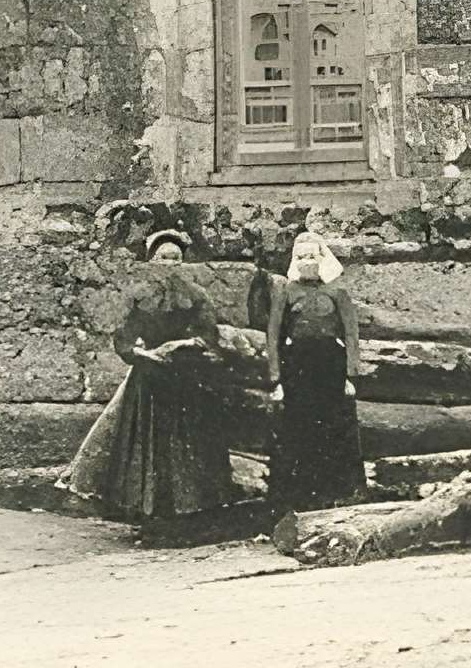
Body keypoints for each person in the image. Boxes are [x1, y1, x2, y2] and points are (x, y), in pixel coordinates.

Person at [65, 233, 236, 543]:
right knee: (149, 445)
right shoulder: (138, 296)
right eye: (163, 257)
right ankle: (150, 512)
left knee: (190, 444)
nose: (169, 263)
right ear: (151, 261)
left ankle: (193, 512)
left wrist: (183, 345)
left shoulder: (197, 295)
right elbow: (124, 340)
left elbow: (209, 337)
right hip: (149, 381)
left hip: (187, 379)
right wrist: (146, 355)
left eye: (175, 258)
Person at [264, 230, 367, 511]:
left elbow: (351, 335)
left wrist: (350, 375)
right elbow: (273, 335)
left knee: (334, 427)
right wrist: (276, 378)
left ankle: (338, 493)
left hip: (330, 367)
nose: (306, 261)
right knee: (299, 428)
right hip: (297, 367)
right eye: (301, 257)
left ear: (322, 258)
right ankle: (298, 497)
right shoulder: (286, 292)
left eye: (311, 256)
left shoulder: (338, 292)